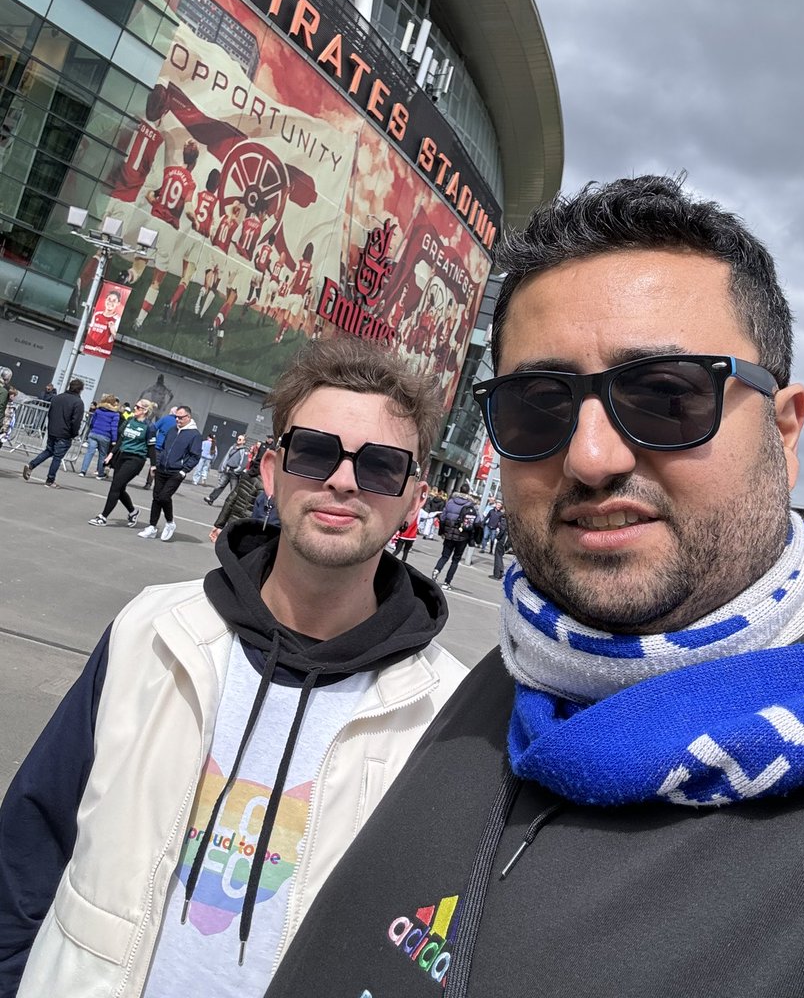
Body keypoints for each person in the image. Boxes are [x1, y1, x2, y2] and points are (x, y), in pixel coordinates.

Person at [265, 176, 804, 998]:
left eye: (668, 395)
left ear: (784, 431)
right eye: (538, 405)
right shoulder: (521, 671)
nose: (593, 456)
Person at [0, 336, 466, 998]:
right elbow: (30, 846)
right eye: (314, 452)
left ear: (414, 500)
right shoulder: (154, 629)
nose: (341, 480)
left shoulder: (448, 713)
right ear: (272, 472)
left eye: (381, 466)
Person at [87, 399, 157, 527]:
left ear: (145, 411)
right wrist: (111, 454)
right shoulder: (129, 421)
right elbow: (121, 439)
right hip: (122, 456)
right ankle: (133, 511)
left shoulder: (149, 427)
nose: (135, 408)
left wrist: (153, 465)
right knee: (120, 488)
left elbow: (151, 447)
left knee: (115, 486)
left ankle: (103, 517)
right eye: (135, 406)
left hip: (135, 459)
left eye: (138, 407)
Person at [138, 405, 202, 540]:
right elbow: (163, 448)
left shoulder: (194, 435)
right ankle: (152, 527)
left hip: (176, 472)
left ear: (188, 417)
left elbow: (195, 456)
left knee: (164, 497)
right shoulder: (172, 430)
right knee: (156, 497)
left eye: (180, 418)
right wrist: (156, 464)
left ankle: (170, 522)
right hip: (162, 468)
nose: (177, 420)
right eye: (176, 417)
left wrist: (184, 470)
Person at [22, 379, 84, 488]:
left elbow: (50, 413)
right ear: (80, 390)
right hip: (65, 433)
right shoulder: (78, 402)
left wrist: (50, 427)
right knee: (57, 457)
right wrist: (74, 434)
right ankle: (50, 480)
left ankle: (31, 465)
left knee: (49, 450)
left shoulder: (57, 397)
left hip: (52, 430)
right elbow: (76, 421)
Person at [430, 481, 477, 590]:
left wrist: (442, 531)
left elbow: (442, 517)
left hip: (449, 534)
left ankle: (437, 569)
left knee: (445, 556)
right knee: (455, 560)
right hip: (462, 536)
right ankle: (447, 582)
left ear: (459, 490)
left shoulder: (450, 502)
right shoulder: (470, 505)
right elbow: (477, 520)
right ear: (468, 492)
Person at [78, 394, 120, 479]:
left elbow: (93, 422)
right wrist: (114, 439)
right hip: (105, 435)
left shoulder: (98, 410)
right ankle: (100, 473)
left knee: (89, 452)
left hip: (94, 433)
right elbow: (114, 427)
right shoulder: (115, 414)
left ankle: (83, 471)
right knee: (102, 454)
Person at [205, 434, 249, 505]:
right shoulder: (233, 447)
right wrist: (223, 467)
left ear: (244, 441)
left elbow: (243, 462)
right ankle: (211, 498)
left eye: (240, 439)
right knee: (220, 484)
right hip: (227, 470)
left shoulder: (244, 450)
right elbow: (226, 457)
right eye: (238, 438)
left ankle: (232, 504)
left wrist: (237, 470)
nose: (238, 440)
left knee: (233, 489)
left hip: (234, 473)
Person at [144, 405, 177, 489]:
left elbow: (154, 427)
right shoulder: (178, 423)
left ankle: (149, 483)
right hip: (169, 448)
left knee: (154, 465)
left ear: (171, 412)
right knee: (163, 467)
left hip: (158, 445)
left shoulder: (165, 418)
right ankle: (160, 485)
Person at [490, 501, 508, 580]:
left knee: (498, 555)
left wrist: (498, 537)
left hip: (502, 539)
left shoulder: (505, 518)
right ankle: (500, 571)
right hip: (507, 540)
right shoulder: (511, 518)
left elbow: (503, 529)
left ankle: (496, 574)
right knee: (500, 555)